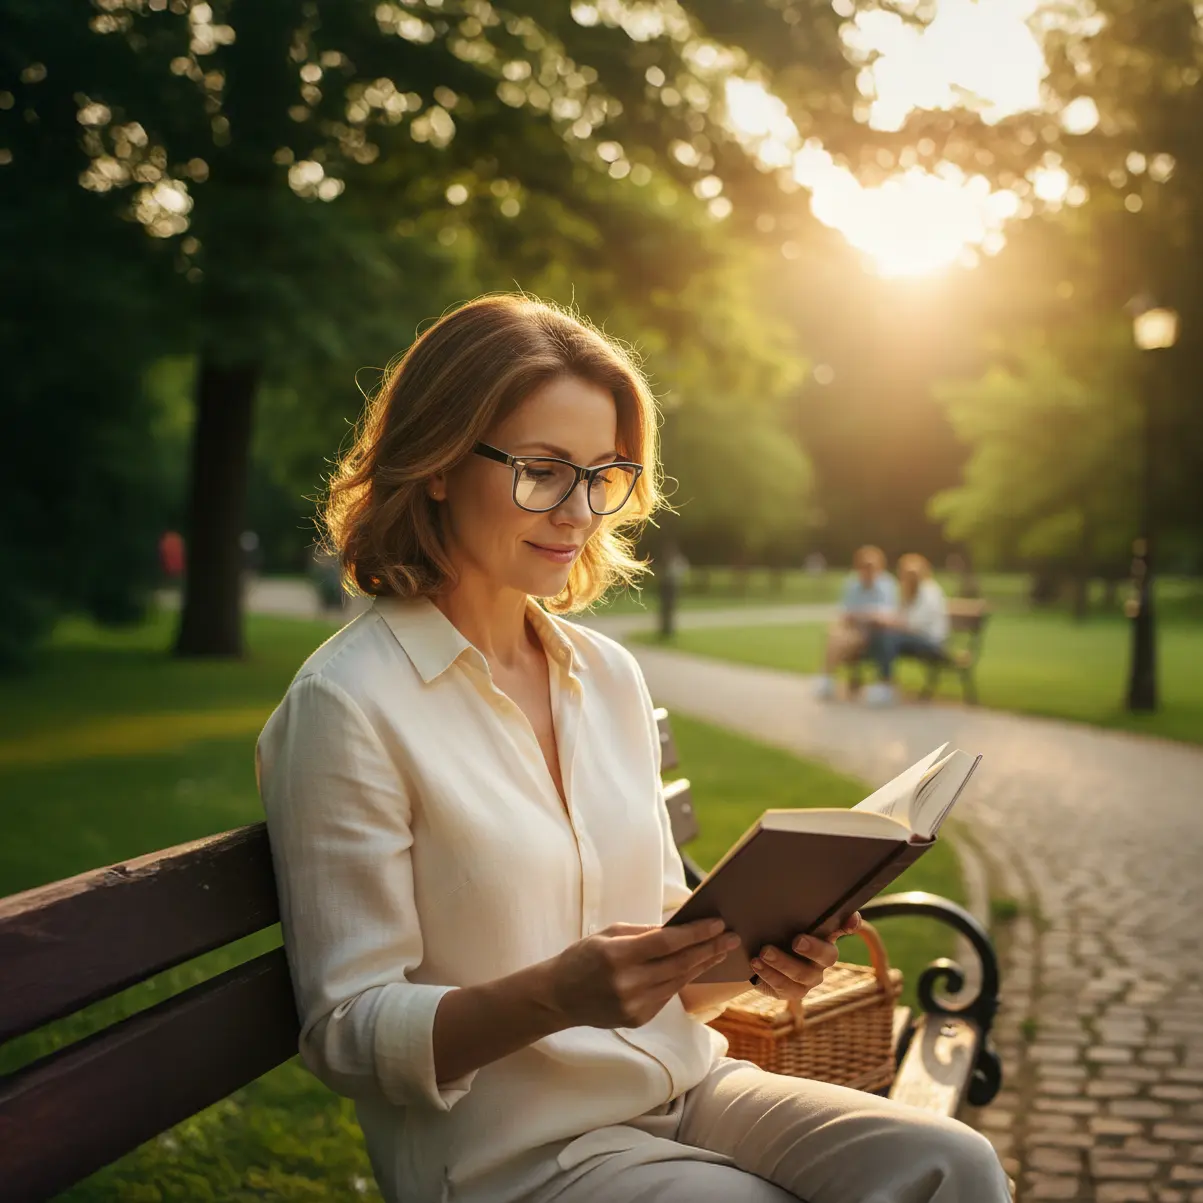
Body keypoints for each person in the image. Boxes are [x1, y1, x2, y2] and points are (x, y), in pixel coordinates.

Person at [256, 296, 1009, 1203]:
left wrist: (759, 951)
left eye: (603, 474)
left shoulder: (604, 675)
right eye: (541, 471)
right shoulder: (347, 704)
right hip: (514, 1154)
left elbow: (670, 959)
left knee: (955, 1163)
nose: (578, 511)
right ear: (441, 464)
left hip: (684, 1088)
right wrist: (552, 997)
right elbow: (345, 1031)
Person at [862, 553, 951, 707]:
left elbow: (915, 625)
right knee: (880, 634)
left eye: (912, 574)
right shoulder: (908, 592)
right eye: (905, 574)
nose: (907, 578)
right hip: (914, 639)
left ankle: (886, 685)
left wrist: (890, 622)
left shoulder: (930, 592)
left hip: (932, 642)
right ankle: (884, 683)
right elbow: (900, 617)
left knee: (888, 637)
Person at [812, 545, 898, 701]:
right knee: (834, 633)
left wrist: (861, 615)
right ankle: (826, 679)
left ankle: (826, 678)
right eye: (864, 566)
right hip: (853, 630)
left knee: (838, 638)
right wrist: (864, 614)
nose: (867, 571)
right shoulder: (852, 583)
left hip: (874, 634)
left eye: (871, 567)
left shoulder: (887, 584)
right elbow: (845, 613)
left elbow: (886, 616)